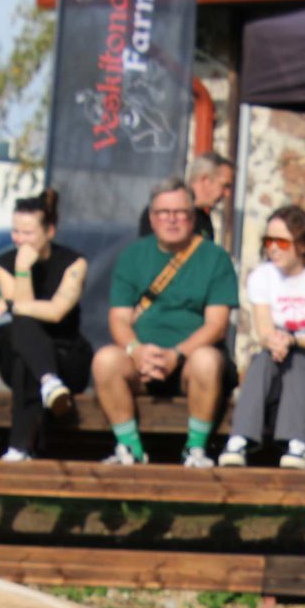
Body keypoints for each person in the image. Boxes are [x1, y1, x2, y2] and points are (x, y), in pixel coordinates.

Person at [95, 176, 237, 468]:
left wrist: (177, 354)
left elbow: (216, 325)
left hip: (190, 361)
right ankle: (130, 448)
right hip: (141, 359)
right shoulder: (133, 255)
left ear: (192, 216)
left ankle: (195, 449)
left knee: (207, 360)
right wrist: (137, 350)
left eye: (180, 213)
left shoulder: (215, 258)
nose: (172, 220)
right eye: (163, 213)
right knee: (105, 360)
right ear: (152, 217)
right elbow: (119, 318)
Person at [219, 205, 305, 469]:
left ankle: (296, 444)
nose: (273, 248)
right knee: (262, 359)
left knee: (300, 362)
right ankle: (239, 439)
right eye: (268, 241)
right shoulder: (261, 277)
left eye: (281, 242)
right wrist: (273, 341)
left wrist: (290, 340)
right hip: (279, 357)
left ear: (302, 245)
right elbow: (263, 329)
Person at [0, 186, 90, 462]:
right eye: (16, 232)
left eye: (28, 233)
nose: (19, 240)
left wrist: (6, 303)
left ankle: (19, 447)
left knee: (24, 362)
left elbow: (55, 312)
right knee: (23, 348)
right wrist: (23, 268)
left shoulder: (73, 263)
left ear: (49, 231)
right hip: (26, 354)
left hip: (66, 355)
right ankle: (48, 382)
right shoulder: (4, 263)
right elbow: (25, 314)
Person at [189, 152, 235, 243]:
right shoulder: (175, 216)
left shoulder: (203, 219)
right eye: (225, 185)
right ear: (205, 180)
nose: (227, 194)